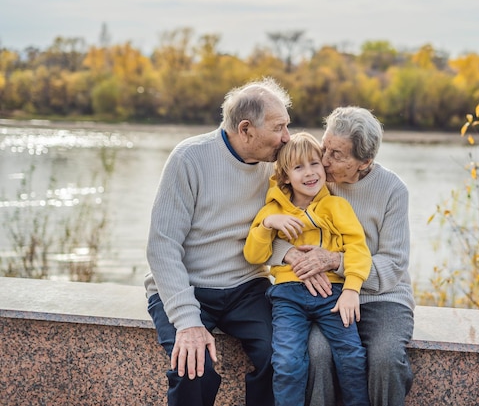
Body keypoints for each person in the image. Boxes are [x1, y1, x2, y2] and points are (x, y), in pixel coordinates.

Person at [144, 77, 291, 406]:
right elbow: (162, 246)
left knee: (283, 356)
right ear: (246, 129)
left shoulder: (278, 166)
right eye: (279, 127)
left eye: (287, 126)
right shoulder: (190, 159)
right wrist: (187, 321)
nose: (287, 137)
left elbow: (280, 231)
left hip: (246, 287)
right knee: (192, 368)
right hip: (189, 285)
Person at [270, 107, 415, 406]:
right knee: (318, 354)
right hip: (325, 293)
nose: (323, 161)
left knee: (386, 359)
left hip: (381, 294)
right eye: (325, 147)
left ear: (365, 162)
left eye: (337, 155)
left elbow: (395, 264)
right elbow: (267, 230)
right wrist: (290, 255)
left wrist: (336, 261)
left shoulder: (392, 190)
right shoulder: (311, 177)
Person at [243, 132, 371, 406]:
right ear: (286, 176)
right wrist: (267, 226)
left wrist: (351, 289)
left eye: (314, 164)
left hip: (333, 295)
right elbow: (254, 255)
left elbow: (358, 249)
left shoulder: (336, 207)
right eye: (298, 167)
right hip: (288, 297)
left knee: (352, 357)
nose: (310, 173)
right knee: (287, 362)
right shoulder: (272, 212)